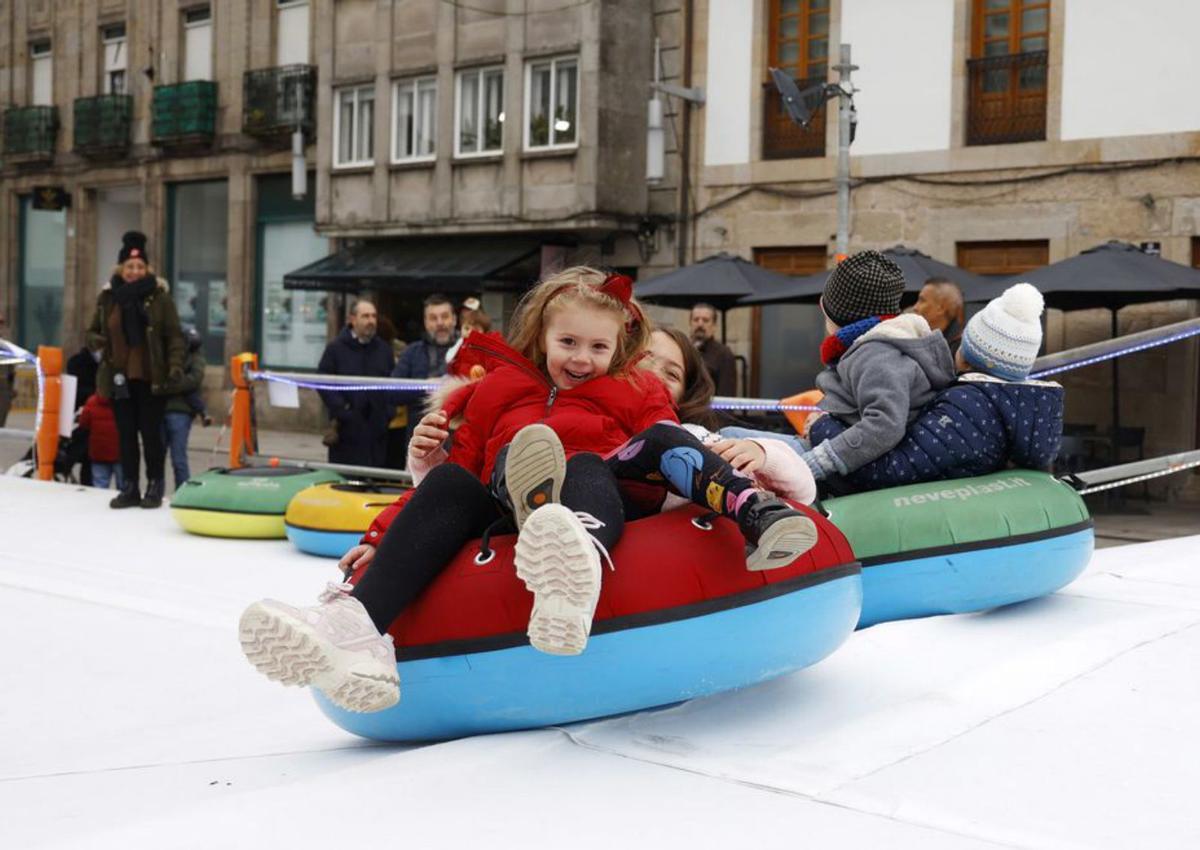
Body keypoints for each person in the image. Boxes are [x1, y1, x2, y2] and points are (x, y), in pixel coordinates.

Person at [239, 268, 814, 713]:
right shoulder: (498, 391)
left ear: (620, 349)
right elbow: (456, 468)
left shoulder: (634, 392)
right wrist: (379, 536)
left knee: (590, 463)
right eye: (569, 342)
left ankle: (576, 566)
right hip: (506, 500)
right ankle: (356, 631)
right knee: (459, 477)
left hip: (596, 495)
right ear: (541, 333)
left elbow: (672, 444)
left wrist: (756, 462)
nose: (582, 359)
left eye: (598, 348)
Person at [809, 283, 1063, 493]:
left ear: (965, 353)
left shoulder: (967, 408)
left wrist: (822, 428)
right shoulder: (1016, 411)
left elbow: (888, 470)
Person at [792, 250, 956, 485]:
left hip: (854, 468)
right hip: (853, 456)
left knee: (731, 439)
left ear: (834, 313)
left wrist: (817, 461)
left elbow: (884, 423)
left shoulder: (876, 354)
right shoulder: (876, 348)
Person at [86, 231, 185, 509]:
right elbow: (92, 331)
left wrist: (175, 365)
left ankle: (154, 486)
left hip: (150, 376)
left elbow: (175, 336)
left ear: (147, 270)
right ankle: (129, 487)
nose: (135, 271)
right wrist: (99, 341)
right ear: (121, 268)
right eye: (130, 267)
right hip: (119, 377)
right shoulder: (108, 298)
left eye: (140, 267)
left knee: (151, 435)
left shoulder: (159, 298)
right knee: (126, 435)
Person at [316, 297, 395, 468]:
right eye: (365, 316)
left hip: (377, 431)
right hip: (347, 430)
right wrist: (342, 409)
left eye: (373, 316)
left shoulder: (383, 350)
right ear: (352, 319)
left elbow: (392, 382)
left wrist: (388, 412)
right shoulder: (336, 348)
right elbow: (323, 380)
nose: (371, 321)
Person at [390, 293, 459, 462]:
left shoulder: (470, 349)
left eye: (445, 316)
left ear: (454, 319)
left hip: (461, 444)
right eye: (433, 318)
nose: (440, 323)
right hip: (420, 445)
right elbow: (393, 393)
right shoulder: (412, 352)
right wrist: (424, 386)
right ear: (426, 322)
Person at [161, 326, 209, 489]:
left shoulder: (196, 358)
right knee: (157, 457)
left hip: (180, 412)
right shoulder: (169, 354)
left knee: (178, 458)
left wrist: (169, 386)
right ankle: (156, 491)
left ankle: (182, 493)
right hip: (162, 409)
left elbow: (193, 380)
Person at [689, 302, 738, 396]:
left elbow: (726, 395)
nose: (700, 324)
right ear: (690, 323)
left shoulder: (724, 354)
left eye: (705, 320)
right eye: (696, 319)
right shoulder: (683, 350)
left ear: (714, 326)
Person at [78, 392, 123, 490]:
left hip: (98, 452)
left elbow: (83, 423)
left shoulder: (91, 401)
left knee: (100, 486)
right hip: (120, 452)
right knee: (123, 486)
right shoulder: (123, 401)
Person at [911, 278, 966, 355]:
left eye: (922, 300)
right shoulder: (917, 338)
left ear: (941, 308)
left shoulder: (961, 351)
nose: (915, 307)